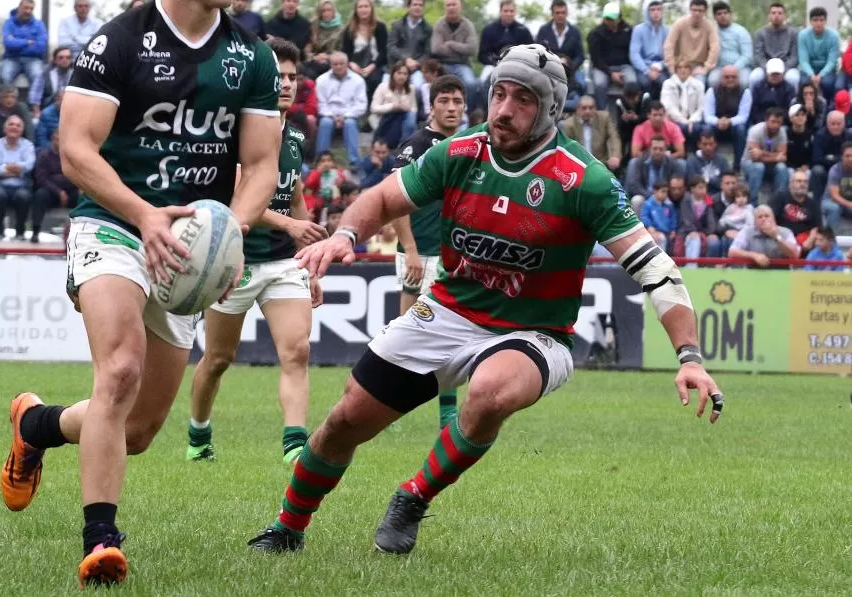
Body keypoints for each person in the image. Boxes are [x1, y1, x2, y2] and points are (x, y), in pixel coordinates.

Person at [246, 43, 723, 556]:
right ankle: (287, 528)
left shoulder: (585, 180)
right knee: (345, 419)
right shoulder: (461, 152)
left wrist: (689, 357)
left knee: (490, 391)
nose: (504, 110)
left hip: (535, 332)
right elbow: (384, 197)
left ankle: (414, 496)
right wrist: (345, 235)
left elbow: (656, 269)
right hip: (448, 310)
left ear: (551, 110)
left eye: (522, 100)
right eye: (499, 93)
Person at [0, 0, 283, 587]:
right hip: (114, 226)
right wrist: (145, 212)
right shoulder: (119, 42)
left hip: (189, 249)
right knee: (118, 370)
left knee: (139, 429)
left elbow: (261, 162)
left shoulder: (252, 57)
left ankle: (36, 427)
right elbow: (75, 148)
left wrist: (234, 228)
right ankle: (102, 540)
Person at [186, 38, 326, 464]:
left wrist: (310, 255)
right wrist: (289, 222)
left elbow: (295, 194)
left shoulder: (298, 134)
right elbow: (240, 196)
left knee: (297, 350)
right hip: (235, 261)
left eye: (291, 76)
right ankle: (198, 433)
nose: (285, 83)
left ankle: (295, 444)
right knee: (218, 358)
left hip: (285, 262)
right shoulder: (237, 131)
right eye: (277, 75)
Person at [391, 75, 467, 430]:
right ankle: (383, 402)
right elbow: (396, 203)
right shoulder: (416, 145)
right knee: (406, 334)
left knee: (450, 335)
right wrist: (410, 251)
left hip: (454, 256)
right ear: (431, 105)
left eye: (457, 101)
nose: (451, 108)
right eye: (444, 101)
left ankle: (448, 413)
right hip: (418, 254)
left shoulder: (469, 146)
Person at [728, 204, 800, 267]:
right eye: (760, 217)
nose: (764, 219)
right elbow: (732, 252)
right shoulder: (747, 231)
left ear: (774, 219)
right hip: (753, 273)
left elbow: (795, 254)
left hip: (781, 273)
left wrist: (776, 237)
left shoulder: (786, 232)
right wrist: (754, 255)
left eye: (767, 216)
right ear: (755, 222)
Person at [822, 141, 852, 229]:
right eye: (847, 156)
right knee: (834, 208)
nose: (850, 158)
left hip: (848, 204)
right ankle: (830, 237)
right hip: (831, 201)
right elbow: (834, 195)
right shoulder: (835, 170)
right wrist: (850, 204)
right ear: (842, 157)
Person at [641, 182, 678, 251]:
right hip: (655, 231)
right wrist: (649, 226)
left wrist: (673, 229)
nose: (665, 194)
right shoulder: (647, 204)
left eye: (666, 192)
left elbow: (673, 218)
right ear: (655, 191)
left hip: (668, 233)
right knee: (660, 238)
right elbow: (644, 217)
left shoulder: (669, 205)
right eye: (663, 191)